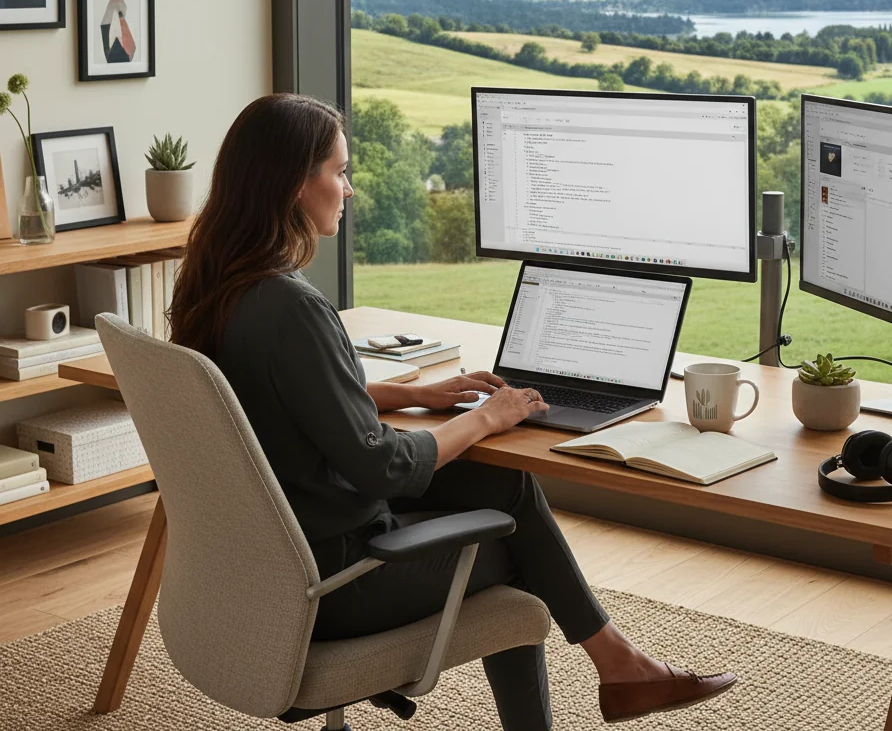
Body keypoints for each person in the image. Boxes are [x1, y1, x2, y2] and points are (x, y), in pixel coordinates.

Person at [170, 92, 736, 728]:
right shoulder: (293, 307)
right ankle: (622, 671)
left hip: (267, 561)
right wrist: (486, 417)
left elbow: (282, 398)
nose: (349, 189)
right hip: (334, 581)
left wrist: (416, 394)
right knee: (518, 547)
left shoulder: (217, 286)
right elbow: (380, 465)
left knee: (506, 485)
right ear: (295, 184)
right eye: (340, 172)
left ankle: (624, 669)